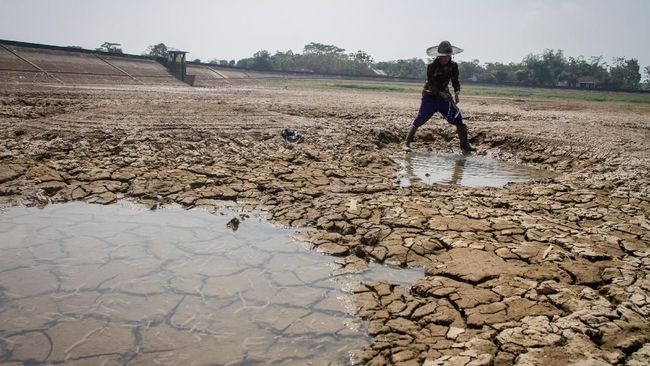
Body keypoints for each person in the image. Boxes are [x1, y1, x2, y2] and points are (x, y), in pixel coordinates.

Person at [404, 41, 476, 153]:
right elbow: (431, 83)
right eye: (442, 57)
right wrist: (439, 93)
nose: (444, 59)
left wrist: (457, 92)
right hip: (430, 95)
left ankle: (465, 145)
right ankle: (406, 143)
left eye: (446, 56)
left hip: (444, 97)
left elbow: (455, 80)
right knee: (421, 117)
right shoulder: (432, 66)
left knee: (457, 117)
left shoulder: (453, 66)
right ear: (438, 56)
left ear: (450, 55)